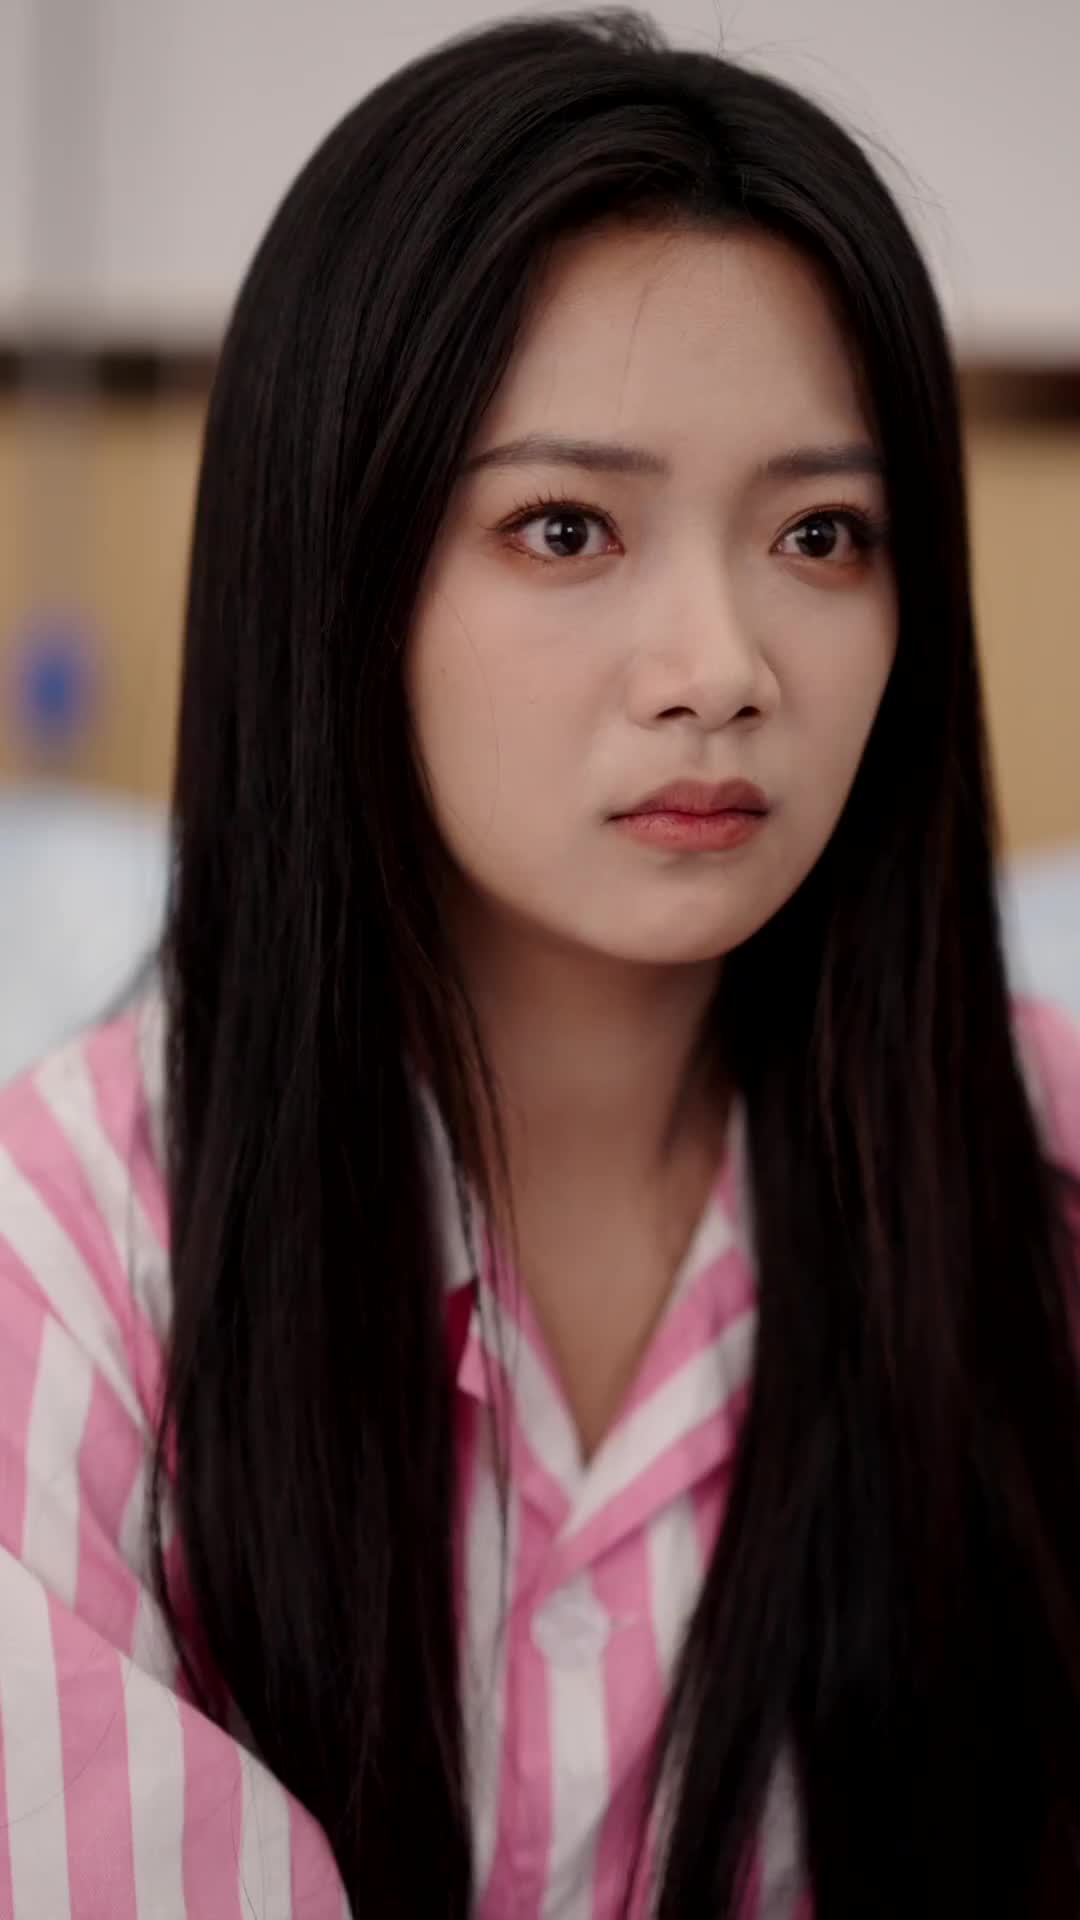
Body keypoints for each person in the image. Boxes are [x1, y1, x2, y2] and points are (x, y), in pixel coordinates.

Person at [1, 9, 1078, 1916]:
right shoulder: (70, 1270)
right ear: (338, 570)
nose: (722, 667)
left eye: (823, 532)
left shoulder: (1043, 1174)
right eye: (565, 527)